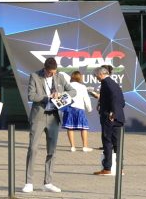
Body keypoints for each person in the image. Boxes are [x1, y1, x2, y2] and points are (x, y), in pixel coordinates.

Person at [22, 57, 75, 193]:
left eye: (54, 72)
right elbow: (31, 96)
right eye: (50, 72)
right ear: (45, 69)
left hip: (54, 117)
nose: (52, 74)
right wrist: (48, 97)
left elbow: (73, 91)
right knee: (33, 148)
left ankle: (48, 182)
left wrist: (61, 94)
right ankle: (29, 182)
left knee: (52, 151)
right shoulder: (34, 76)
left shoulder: (60, 77)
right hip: (38, 117)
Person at [92, 65, 124, 176]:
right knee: (117, 143)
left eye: (96, 76)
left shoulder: (106, 83)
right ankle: (120, 168)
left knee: (107, 141)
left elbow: (114, 97)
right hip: (118, 117)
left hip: (109, 118)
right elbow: (121, 100)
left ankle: (107, 168)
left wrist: (112, 112)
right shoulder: (114, 83)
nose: (96, 78)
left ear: (101, 74)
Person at [63, 70, 93, 152]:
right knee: (84, 127)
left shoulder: (67, 85)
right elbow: (86, 99)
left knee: (70, 127)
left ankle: (72, 146)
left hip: (69, 108)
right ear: (80, 78)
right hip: (80, 109)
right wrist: (89, 108)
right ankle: (85, 146)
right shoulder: (83, 87)